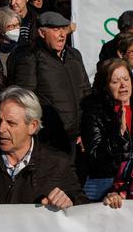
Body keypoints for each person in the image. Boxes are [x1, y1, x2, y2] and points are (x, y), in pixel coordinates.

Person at [0, 86, 84, 209]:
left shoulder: (58, 164)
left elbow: (83, 206)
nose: (1, 129)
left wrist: (70, 201)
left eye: (11, 123)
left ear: (32, 126)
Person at [9, 11, 90, 149]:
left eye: (64, 29)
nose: (62, 34)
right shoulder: (30, 58)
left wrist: (87, 130)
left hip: (79, 137)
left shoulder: (74, 55)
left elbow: (86, 91)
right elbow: (25, 101)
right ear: (42, 33)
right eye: (56, 29)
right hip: (49, 140)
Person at [80, 58, 133, 201]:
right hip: (104, 184)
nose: (123, 85)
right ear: (105, 86)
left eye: (126, 79)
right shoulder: (93, 111)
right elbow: (95, 155)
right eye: (115, 82)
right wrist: (118, 133)